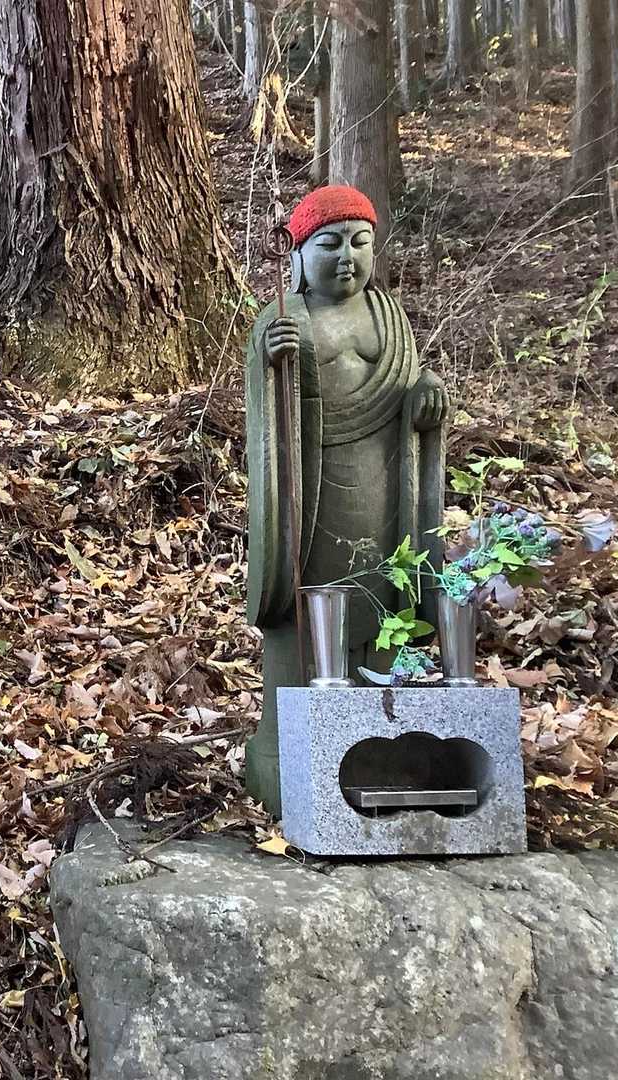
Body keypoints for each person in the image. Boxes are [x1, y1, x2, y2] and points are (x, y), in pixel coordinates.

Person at [245, 185, 449, 814]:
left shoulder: (389, 316)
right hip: (310, 492)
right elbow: (263, 408)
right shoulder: (285, 316)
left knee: (387, 593)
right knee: (304, 607)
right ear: (298, 255)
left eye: (360, 243)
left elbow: (411, 384)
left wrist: (426, 395)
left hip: (385, 482)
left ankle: (382, 744)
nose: (347, 257)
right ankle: (287, 747)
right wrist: (270, 360)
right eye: (329, 244)